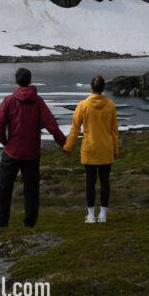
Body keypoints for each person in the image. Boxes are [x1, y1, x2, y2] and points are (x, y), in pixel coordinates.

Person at [0, 67, 66, 228]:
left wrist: (4, 141)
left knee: (4, 189)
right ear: (30, 81)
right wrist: (64, 144)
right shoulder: (38, 101)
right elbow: (51, 125)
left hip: (11, 152)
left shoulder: (9, 100)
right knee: (31, 191)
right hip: (32, 154)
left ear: (16, 81)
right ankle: (30, 223)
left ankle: (0, 223)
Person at [62, 74, 119, 223]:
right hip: (106, 148)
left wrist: (68, 147)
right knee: (105, 182)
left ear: (91, 88)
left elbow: (75, 129)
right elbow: (114, 131)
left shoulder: (83, 105)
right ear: (104, 88)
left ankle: (91, 216)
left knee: (90, 183)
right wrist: (116, 150)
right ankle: (103, 215)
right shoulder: (110, 105)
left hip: (89, 149)